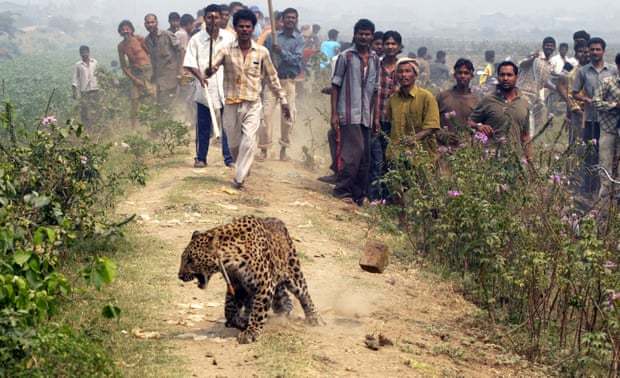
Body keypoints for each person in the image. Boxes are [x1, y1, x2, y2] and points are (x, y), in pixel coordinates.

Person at [207, 8, 290, 189]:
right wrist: (210, 70)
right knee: (235, 145)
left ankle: (239, 178)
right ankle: (243, 165)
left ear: (253, 29)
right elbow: (213, 66)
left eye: (248, 26)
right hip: (230, 103)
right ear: (235, 29)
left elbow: (272, 77)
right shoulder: (225, 50)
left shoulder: (262, 52)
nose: (245, 29)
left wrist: (283, 100)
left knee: (249, 141)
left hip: (252, 103)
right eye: (241, 26)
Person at [330, 19, 380, 204]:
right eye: (360, 33)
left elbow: (375, 90)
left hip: (366, 115)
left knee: (365, 157)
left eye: (367, 34)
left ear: (372, 36)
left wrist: (375, 118)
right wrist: (334, 113)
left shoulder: (375, 60)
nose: (363, 37)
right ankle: (342, 191)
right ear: (355, 34)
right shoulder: (346, 57)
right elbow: (335, 86)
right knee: (353, 153)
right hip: (348, 113)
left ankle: (358, 195)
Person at [184, 4, 236, 169]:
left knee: (228, 125)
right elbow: (190, 62)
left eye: (216, 17)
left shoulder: (229, 38)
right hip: (204, 88)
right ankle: (200, 158)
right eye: (209, 17)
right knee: (203, 125)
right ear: (204, 19)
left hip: (226, 87)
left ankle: (229, 158)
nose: (213, 20)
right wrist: (200, 77)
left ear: (221, 19)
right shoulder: (196, 39)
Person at [573, 37, 617, 196]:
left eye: (598, 49)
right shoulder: (583, 71)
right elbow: (575, 93)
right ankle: (588, 189)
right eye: (592, 49)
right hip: (591, 119)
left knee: (607, 155)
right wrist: (586, 100)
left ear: (603, 51)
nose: (595, 52)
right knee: (590, 154)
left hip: (610, 122)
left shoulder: (612, 70)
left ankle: (605, 190)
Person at [260, 7, 304, 161]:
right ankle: (264, 149)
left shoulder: (299, 39)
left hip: (288, 82)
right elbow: (262, 56)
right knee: (265, 115)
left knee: (288, 117)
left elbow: (297, 61)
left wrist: (281, 52)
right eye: (288, 17)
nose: (290, 20)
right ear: (282, 20)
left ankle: (284, 149)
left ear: (296, 20)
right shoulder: (272, 37)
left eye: (293, 17)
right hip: (272, 81)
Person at [469, 61, 531, 159]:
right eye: (502, 75)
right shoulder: (488, 100)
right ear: (498, 77)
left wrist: (529, 161)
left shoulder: (523, 103)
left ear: (516, 77)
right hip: (491, 158)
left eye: (509, 75)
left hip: (515, 159)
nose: (505, 78)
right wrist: (479, 126)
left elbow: (525, 136)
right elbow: (469, 122)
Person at [368, 30, 401, 200]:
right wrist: (373, 118)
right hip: (377, 118)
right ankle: (373, 197)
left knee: (392, 161)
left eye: (393, 43)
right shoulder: (376, 65)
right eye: (387, 43)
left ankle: (388, 198)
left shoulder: (403, 69)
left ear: (399, 47)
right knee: (376, 159)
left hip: (395, 123)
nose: (390, 46)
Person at [386, 57, 440, 158]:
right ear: (396, 76)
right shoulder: (393, 99)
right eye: (400, 72)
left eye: (407, 71)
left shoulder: (426, 97)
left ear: (415, 75)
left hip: (421, 156)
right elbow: (390, 123)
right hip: (397, 155)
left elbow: (432, 126)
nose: (403, 75)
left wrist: (414, 138)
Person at [592, 53, 620, 205]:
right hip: (608, 131)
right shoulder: (608, 82)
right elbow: (595, 102)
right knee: (605, 167)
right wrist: (614, 105)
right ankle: (603, 207)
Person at [117, 20, 155, 127]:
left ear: (131, 29)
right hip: (135, 73)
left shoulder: (139, 39)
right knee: (134, 100)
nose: (125, 31)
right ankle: (133, 128)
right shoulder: (121, 46)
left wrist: (153, 72)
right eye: (123, 30)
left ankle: (153, 124)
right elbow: (124, 67)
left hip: (148, 71)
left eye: (127, 29)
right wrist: (134, 80)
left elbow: (150, 53)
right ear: (120, 32)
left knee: (152, 97)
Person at [144, 13, 184, 110]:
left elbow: (181, 50)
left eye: (152, 22)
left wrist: (180, 69)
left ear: (157, 23)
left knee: (170, 104)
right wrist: (153, 74)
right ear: (145, 24)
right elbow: (153, 59)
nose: (150, 25)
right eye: (148, 23)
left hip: (172, 76)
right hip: (159, 78)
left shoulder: (167, 35)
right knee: (161, 104)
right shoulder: (147, 40)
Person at [517, 36, 556, 135]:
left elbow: (544, 82)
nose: (549, 47)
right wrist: (532, 58)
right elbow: (522, 64)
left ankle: (529, 140)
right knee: (523, 119)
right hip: (523, 93)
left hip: (535, 96)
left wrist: (558, 90)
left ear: (554, 48)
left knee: (540, 115)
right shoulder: (535, 57)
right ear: (543, 46)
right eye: (547, 45)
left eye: (551, 46)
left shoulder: (550, 64)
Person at [556, 41, 589, 145]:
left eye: (586, 52)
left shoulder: (594, 68)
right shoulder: (570, 65)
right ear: (576, 53)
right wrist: (569, 103)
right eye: (580, 51)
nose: (584, 54)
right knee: (576, 140)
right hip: (576, 109)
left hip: (592, 109)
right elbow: (560, 83)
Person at [436, 58, 479, 129]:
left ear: (471, 76)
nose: (463, 76)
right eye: (460, 73)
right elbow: (433, 121)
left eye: (466, 73)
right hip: (445, 139)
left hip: (468, 139)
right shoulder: (442, 97)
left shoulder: (477, 100)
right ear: (454, 75)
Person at [72, 45, 100, 128]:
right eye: (82, 53)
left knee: (96, 108)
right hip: (84, 91)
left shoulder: (94, 62)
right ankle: (86, 127)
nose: (84, 54)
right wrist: (74, 92)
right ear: (80, 54)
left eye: (86, 52)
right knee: (84, 110)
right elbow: (75, 79)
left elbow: (99, 74)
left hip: (95, 89)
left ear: (89, 52)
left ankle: (97, 125)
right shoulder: (78, 65)